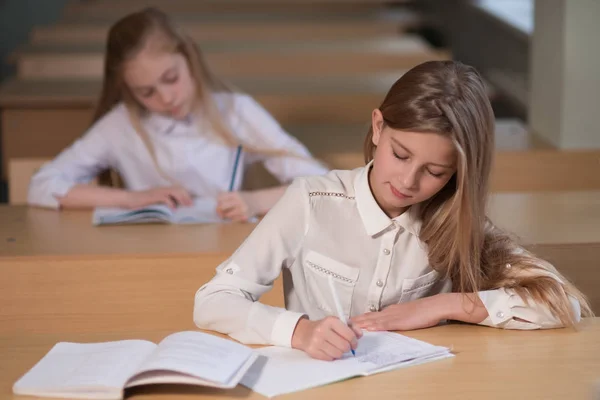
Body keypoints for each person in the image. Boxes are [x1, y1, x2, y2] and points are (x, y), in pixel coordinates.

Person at [193, 60, 592, 360]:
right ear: (378, 128)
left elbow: (562, 304)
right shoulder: (309, 202)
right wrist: (298, 331)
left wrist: (440, 306)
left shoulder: (455, 221)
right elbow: (213, 300)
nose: (408, 182)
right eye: (399, 155)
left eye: (435, 172)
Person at [27, 7, 327, 221]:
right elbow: (42, 185)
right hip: (146, 256)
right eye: (146, 92)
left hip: (228, 256)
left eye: (171, 78)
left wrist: (254, 201)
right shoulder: (120, 124)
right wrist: (132, 199)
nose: (166, 98)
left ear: (189, 58)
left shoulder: (236, 111)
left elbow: (321, 183)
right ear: (128, 90)